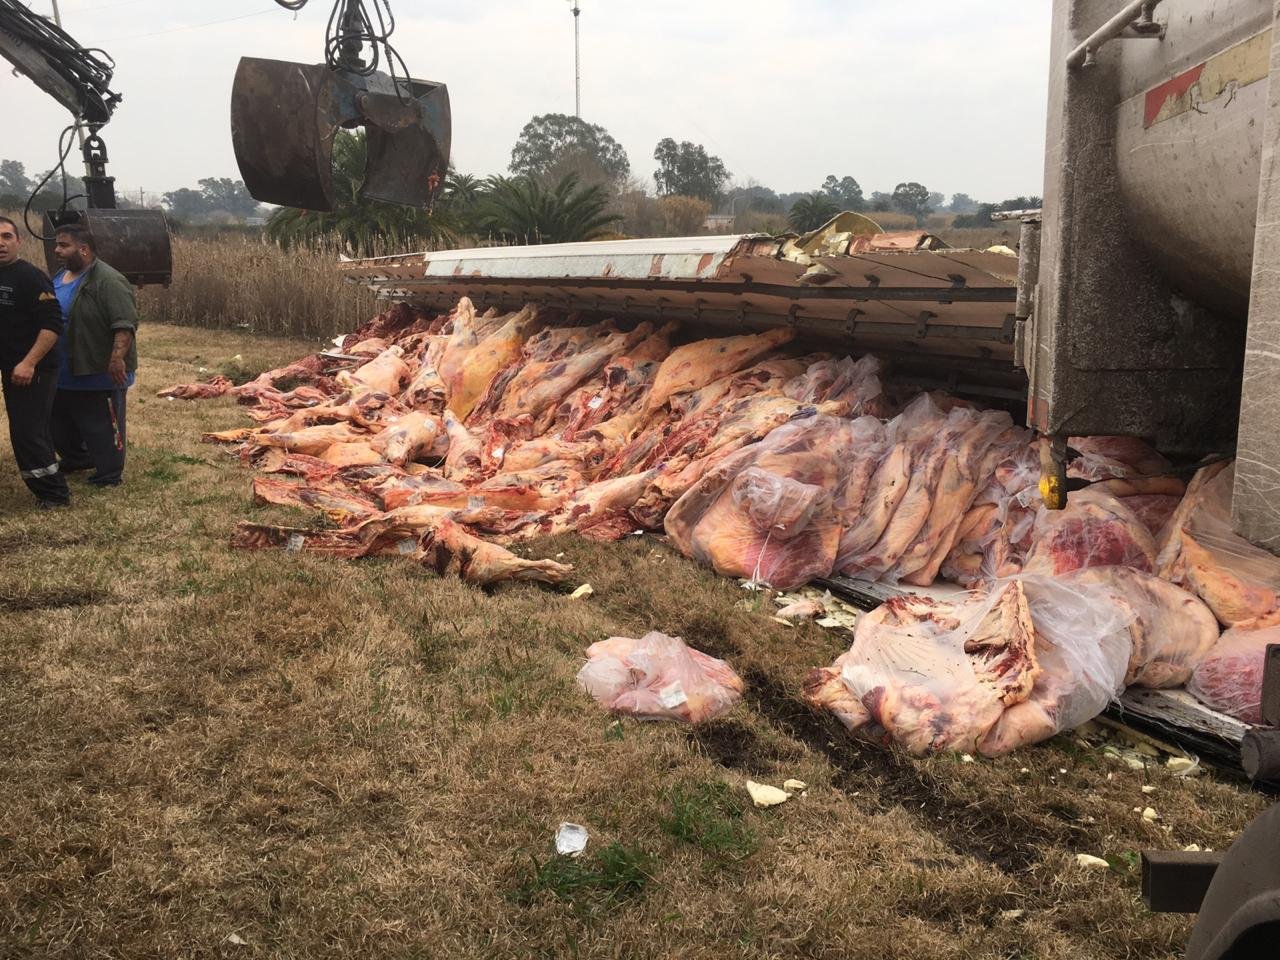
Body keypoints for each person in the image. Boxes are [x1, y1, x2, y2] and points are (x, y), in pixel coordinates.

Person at [49, 223, 139, 487]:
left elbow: (124, 323)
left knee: (100, 425)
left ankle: (109, 473)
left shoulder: (108, 280)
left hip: (98, 371)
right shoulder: (60, 276)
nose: (57, 250)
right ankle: (77, 458)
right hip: (65, 370)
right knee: (60, 423)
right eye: (57, 244)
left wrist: (116, 359)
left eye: (63, 245)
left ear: (84, 249)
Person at [0, 215, 72, 508]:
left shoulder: (31, 277)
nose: (0, 244)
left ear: (18, 241)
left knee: (30, 432)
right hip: (10, 366)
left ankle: (54, 494)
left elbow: (52, 325)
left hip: (35, 368)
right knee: (22, 430)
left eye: (6, 236)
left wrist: (29, 363)